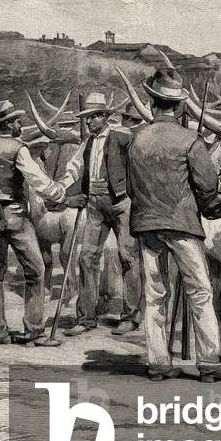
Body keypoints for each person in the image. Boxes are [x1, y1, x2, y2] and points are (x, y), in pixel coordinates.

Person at [126, 68, 221, 382]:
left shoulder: (136, 140)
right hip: (183, 226)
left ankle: (158, 364)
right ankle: (209, 365)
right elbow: (207, 190)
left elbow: (130, 189)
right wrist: (214, 206)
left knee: (154, 296)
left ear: (153, 104)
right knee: (201, 293)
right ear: (179, 107)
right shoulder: (191, 140)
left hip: (146, 225)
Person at [0, 99, 67, 346]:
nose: (21, 124)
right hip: (15, 217)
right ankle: (34, 330)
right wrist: (62, 195)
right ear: (9, 124)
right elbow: (38, 181)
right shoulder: (17, 148)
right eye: (18, 120)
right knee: (37, 270)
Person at [54, 92, 141, 337]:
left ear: (104, 116)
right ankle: (86, 318)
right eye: (87, 118)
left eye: (92, 117)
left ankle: (131, 316)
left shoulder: (124, 137)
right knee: (86, 257)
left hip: (121, 204)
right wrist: (61, 189)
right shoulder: (88, 143)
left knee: (128, 257)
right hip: (95, 205)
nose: (88, 122)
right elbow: (73, 168)